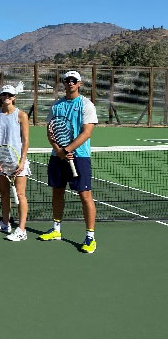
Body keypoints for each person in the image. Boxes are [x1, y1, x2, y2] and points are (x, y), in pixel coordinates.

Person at [39, 70, 98, 253]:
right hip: (58, 157)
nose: (70, 83)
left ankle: (90, 237)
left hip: (79, 157)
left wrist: (67, 150)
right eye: (67, 80)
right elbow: (50, 131)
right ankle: (56, 229)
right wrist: (58, 151)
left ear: (79, 83)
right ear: (63, 83)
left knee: (85, 195)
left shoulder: (86, 105)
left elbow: (87, 132)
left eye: (74, 80)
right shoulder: (57, 105)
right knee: (57, 192)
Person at [0, 85, 30, 241]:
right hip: (1, 162)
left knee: (20, 195)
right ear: (1, 96)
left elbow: (25, 140)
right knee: (4, 194)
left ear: (14, 97)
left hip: (17, 161)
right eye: (4, 94)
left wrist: (22, 161)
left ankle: (21, 229)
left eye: (9, 94)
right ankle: (5, 223)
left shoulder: (21, 115)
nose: (6, 96)